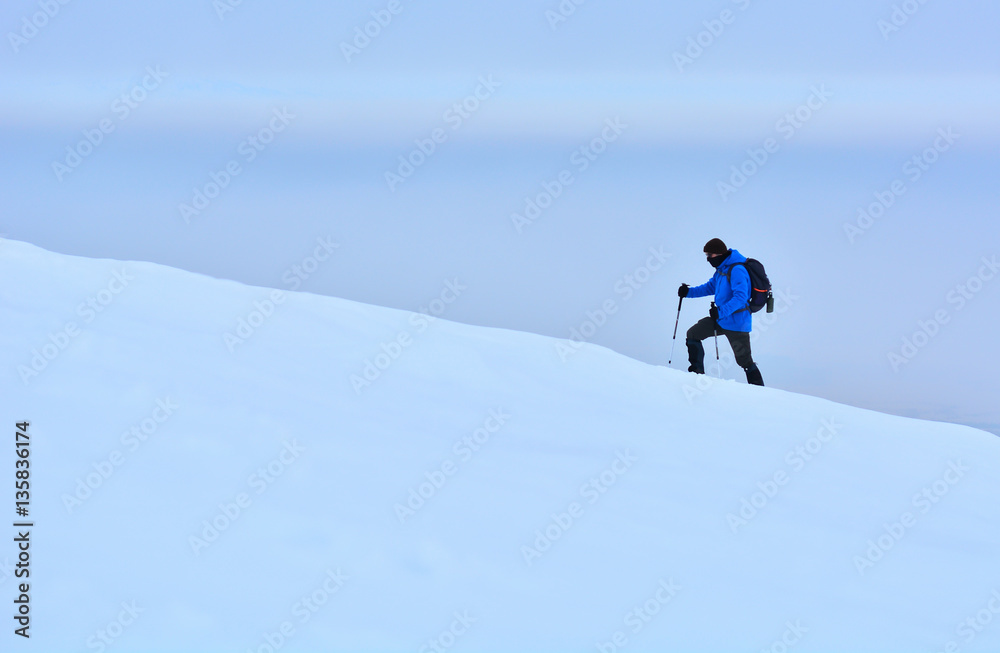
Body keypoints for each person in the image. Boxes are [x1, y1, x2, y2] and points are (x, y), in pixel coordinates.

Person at [678, 238, 764, 386]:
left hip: (737, 323)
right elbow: (709, 287)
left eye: (709, 256)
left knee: (745, 361)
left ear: (718, 254)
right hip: (720, 319)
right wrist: (688, 292)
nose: (708, 259)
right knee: (693, 334)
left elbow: (740, 297)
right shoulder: (721, 270)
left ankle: (761, 391)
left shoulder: (737, 270)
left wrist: (721, 312)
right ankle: (696, 375)